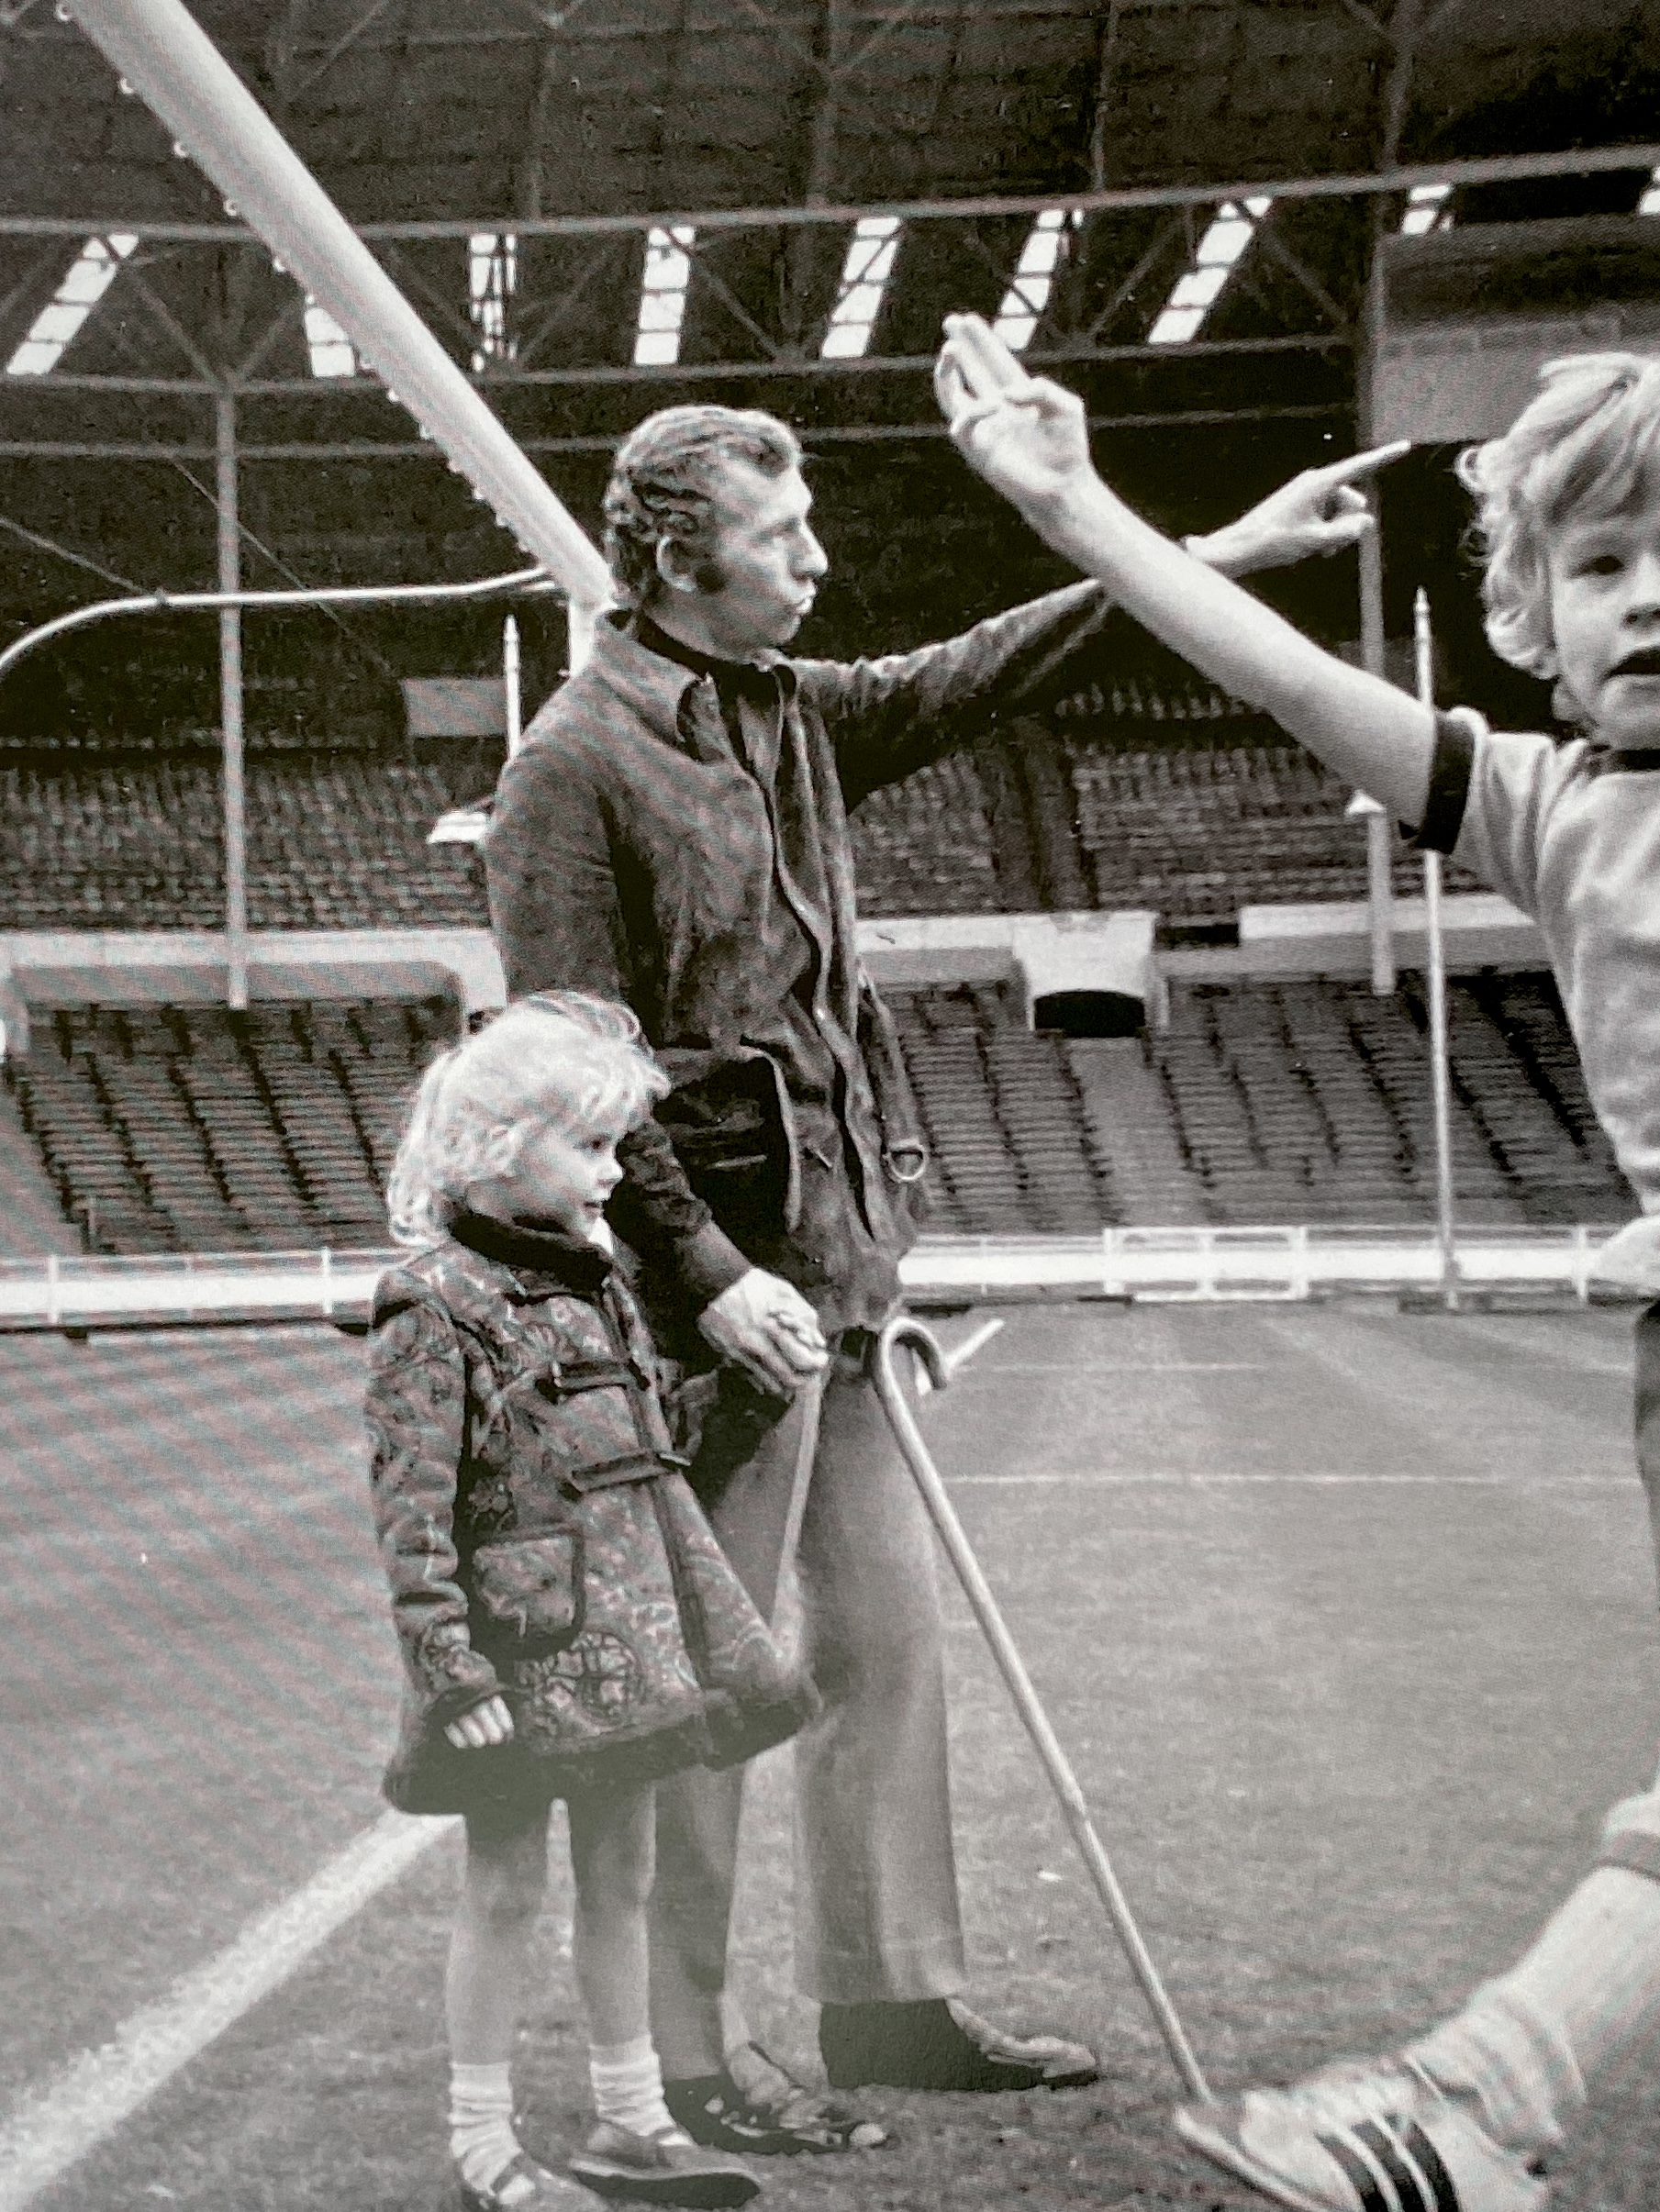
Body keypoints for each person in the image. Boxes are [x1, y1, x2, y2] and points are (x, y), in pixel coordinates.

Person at [934, 6, 1660, 2207]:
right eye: (1600, 569)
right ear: (1538, 628)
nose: (1649, 592)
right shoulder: (1536, 809)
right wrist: (1069, 498)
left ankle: (1481, 2096)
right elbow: (1270, 665)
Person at [481, 403, 1392, 2154]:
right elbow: (573, 1062)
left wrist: (1206, 558)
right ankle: (684, 2055)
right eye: (784, 534)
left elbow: (985, 669)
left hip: (841, 1275)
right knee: (716, 1689)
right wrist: (707, 1266)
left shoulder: (792, 714)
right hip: (711, 1307)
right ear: (680, 557)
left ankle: (890, 2006)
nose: (819, 559)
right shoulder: (572, 766)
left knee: (887, 1643)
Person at [366, 993, 806, 2212]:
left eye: (619, 1146)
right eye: (596, 1147)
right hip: (510, 1664)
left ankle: (631, 2122)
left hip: (628, 1653)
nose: (619, 1172)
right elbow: (412, 1514)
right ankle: (479, 2143)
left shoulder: (603, 1287)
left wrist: (757, 1391)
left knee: (621, 1880)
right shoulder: (434, 1305)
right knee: (505, 1888)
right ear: (505, 1148)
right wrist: (451, 1672)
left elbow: (655, 1452)